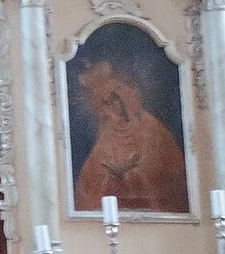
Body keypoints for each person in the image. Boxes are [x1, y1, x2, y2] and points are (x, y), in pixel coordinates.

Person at [72, 59, 187, 213]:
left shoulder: (150, 128)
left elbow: (166, 170)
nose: (112, 107)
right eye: (105, 103)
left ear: (125, 98)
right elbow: (92, 178)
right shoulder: (107, 134)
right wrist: (112, 175)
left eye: (115, 100)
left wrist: (131, 172)